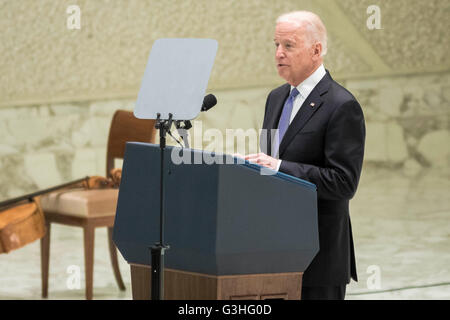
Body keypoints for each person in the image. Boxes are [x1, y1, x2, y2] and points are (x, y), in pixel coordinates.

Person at [245, 11, 366, 300]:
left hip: (319, 256)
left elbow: (343, 183)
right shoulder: (276, 98)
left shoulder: (341, 105)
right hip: (274, 249)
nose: (278, 53)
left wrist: (279, 167)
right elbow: (272, 158)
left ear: (316, 50)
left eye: (288, 45)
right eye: (275, 44)